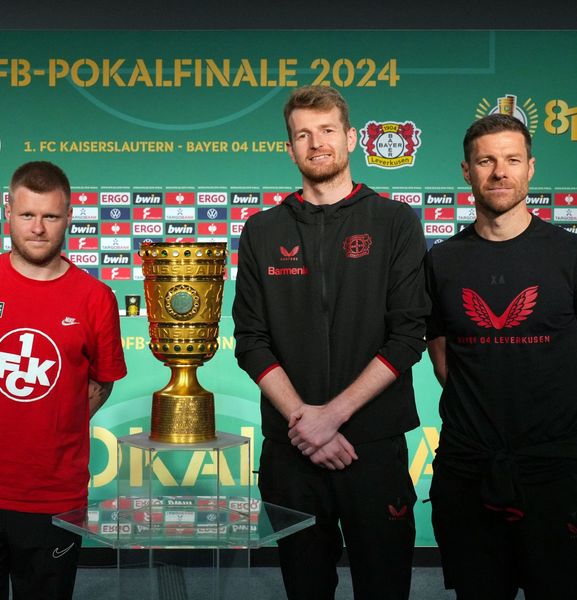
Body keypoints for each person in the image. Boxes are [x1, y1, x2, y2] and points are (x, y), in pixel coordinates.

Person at [232, 86, 429, 600]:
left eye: (326, 130)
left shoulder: (395, 222)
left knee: (384, 589)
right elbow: (250, 340)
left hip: (374, 449)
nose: (316, 143)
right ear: (290, 148)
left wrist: (332, 415)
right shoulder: (260, 231)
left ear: (351, 137)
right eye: (302, 134)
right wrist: (305, 419)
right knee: (304, 590)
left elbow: (409, 334)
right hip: (291, 453)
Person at [0, 160, 127, 600]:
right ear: (7, 212)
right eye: (27, 215)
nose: (38, 228)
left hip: (54, 495)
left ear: (68, 218)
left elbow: (103, 380)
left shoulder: (96, 298)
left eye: (50, 216)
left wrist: (55, 425)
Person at [425, 113, 577, 598]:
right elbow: (443, 358)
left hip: (556, 473)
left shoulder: (568, 254)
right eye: (486, 161)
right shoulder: (442, 260)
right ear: (466, 172)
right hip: (468, 471)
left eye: (512, 160)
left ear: (531, 167)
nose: (499, 172)